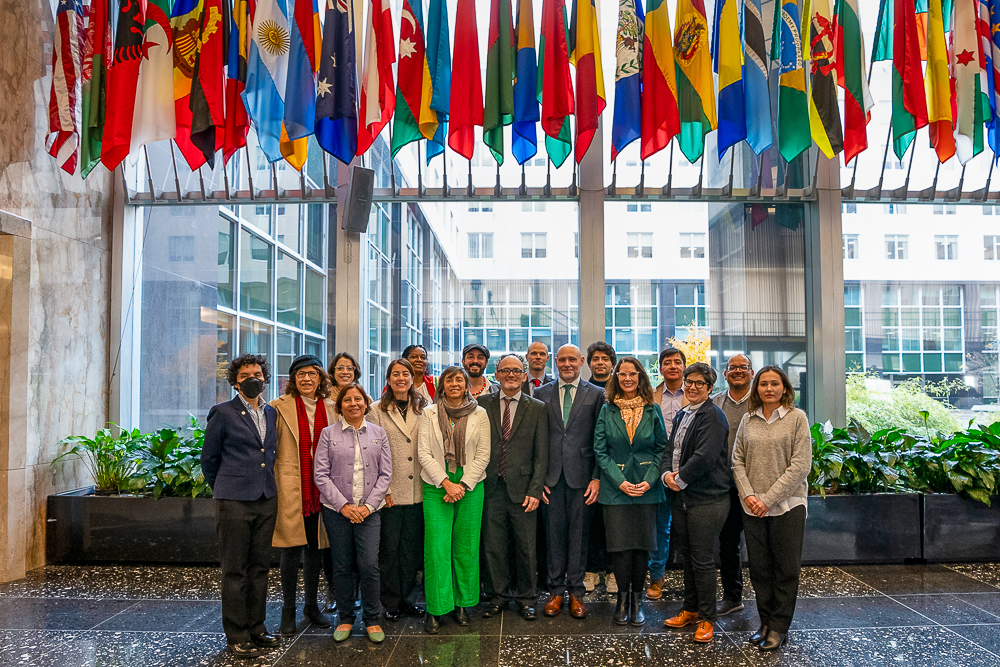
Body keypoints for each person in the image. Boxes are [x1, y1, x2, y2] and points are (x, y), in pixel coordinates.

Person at [201, 354, 281, 659]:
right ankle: (236, 633)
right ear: (236, 381)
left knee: (260, 567)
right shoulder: (222, 413)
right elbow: (209, 460)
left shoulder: (271, 413)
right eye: (246, 374)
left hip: (265, 498)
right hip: (234, 499)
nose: (253, 379)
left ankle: (256, 627)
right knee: (235, 570)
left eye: (258, 373)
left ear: (265, 378)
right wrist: (225, 487)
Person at [732, 366, 812, 652]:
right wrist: (751, 495)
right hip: (751, 505)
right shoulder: (747, 419)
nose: (768, 388)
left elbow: (800, 466)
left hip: (787, 506)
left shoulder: (796, 418)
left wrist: (768, 499)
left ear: (784, 388)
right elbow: (737, 460)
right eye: (763, 384)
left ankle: (779, 626)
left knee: (785, 569)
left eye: (774, 384)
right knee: (760, 569)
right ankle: (765, 622)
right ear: (757, 389)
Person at [314, 383, 393, 644]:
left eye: (358, 399)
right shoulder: (328, 433)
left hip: (370, 511)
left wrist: (368, 507)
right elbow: (321, 475)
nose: (353, 404)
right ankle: (345, 618)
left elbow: (385, 474)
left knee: (369, 565)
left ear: (365, 403)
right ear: (340, 406)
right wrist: (344, 507)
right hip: (337, 512)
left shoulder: (379, 433)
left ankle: (372, 620)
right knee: (342, 565)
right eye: (347, 400)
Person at [593, 356, 667, 627]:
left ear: (640, 377)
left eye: (632, 374)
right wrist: (619, 481)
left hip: (647, 488)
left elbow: (662, 449)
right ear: (616, 377)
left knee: (642, 547)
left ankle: (638, 601)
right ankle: (622, 601)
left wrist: (649, 480)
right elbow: (600, 451)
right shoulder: (607, 409)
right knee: (620, 548)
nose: (627, 379)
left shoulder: (653, 409)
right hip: (616, 490)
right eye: (622, 374)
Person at [417, 366, 492, 634]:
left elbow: (484, 454)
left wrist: (461, 484)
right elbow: (424, 453)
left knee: (466, 547)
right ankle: (436, 609)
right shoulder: (428, 413)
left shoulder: (480, 413)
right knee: (436, 549)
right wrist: (447, 483)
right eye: (449, 379)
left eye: (459, 379)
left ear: (466, 384)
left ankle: (463, 604)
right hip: (437, 485)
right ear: (442, 385)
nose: (455, 383)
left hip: (470, 486)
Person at [661, 363, 731, 644]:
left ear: (710, 388)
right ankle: (690, 609)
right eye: (689, 382)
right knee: (688, 557)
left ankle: (707, 618)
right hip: (682, 497)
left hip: (707, 499)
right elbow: (670, 449)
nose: (691, 387)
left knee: (702, 560)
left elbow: (704, 457)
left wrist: (680, 478)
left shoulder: (713, 416)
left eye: (698, 383)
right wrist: (667, 474)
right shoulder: (682, 414)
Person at [478, 353, 549, 621]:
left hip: (524, 489)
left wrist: (535, 489)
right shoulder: (481, 404)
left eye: (516, 371)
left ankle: (527, 598)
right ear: (496, 375)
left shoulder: (538, 407)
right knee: (493, 546)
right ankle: (498, 596)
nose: (511, 375)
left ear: (524, 375)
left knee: (526, 547)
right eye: (505, 370)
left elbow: (542, 455)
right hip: (491, 486)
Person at [536, 345, 604, 619]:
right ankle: (555, 592)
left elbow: (602, 440)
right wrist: (537, 478)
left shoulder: (596, 394)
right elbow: (537, 439)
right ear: (556, 361)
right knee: (553, 536)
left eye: (571, 360)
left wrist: (597, 477)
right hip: (550, 478)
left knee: (579, 537)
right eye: (562, 360)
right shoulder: (541, 393)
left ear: (581, 362)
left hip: (583, 478)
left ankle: (576, 592)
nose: (566, 364)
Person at [270, 355, 335, 636]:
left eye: (312, 374)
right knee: (290, 550)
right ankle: (288, 610)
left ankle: (312, 607)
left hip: (323, 490)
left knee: (315, 551)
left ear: (320, 378)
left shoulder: (332, 408)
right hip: (292, 488)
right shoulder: (277, 407)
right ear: (292, 380)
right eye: (300, 375)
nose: (306, 379)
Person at [366, 359, 428, 622]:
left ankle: (408, 599)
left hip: (419, 489)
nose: (401, 378)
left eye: (406, 374)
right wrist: (385, 488)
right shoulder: (376, 410)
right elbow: (371, 452)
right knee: (389, 550)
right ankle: (390, 601)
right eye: (396, 374)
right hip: (390, 491)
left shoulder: (424, 407)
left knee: (412, 550)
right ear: (388, 379)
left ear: (413, 378)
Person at [711, 354, 755, 617]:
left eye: (743, 367)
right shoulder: (715, 403)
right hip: (724, 486)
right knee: (728, 544)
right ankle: (733, 597)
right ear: (725, 374)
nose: (738, 371)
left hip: (757, 485)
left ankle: (767, 600)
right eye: (732, 368)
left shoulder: (762, 403)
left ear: (751, 373)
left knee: (760, 545)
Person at [647, 347, 688, 601]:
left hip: (689, 466)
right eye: (667, 363)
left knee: (688, 527)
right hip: (659, 467)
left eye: (677, 362)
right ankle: (657, 576)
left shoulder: (696, 393)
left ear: (684, 366)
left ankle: (692, 580)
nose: (672, 366)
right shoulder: (651, 396)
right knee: (661, 525)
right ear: (660, 368)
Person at [583, 341, 617, 594]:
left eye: (605, 358)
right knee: (591, 521)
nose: (600, 362)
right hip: (587, 465)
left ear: (612, 363)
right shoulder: (583, 389)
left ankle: (614, 570)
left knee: (613, 522)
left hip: (617, 464)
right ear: (589, 363)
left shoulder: (621, 389)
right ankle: (592, 569)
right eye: (596, 358)